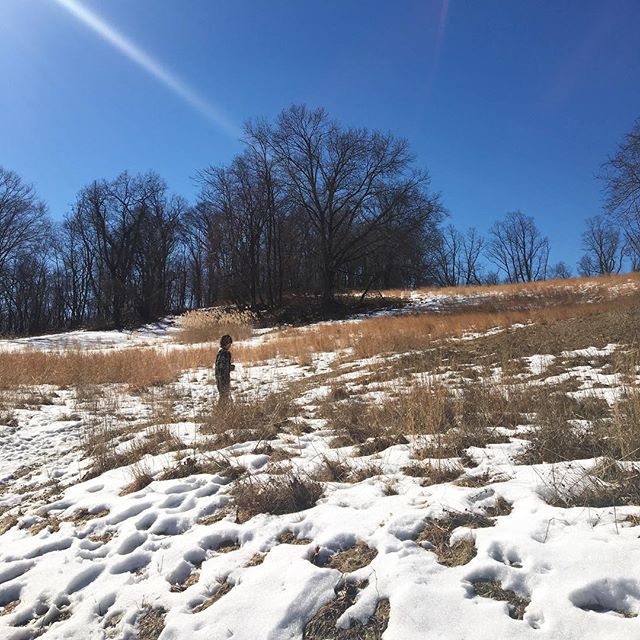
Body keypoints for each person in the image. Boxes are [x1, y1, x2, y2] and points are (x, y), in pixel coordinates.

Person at [215, 334, 235, 405]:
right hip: (224, 378)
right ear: (227, 343)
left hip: (218, 378)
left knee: (222, 396)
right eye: (230, 344)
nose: (230, 346)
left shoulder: (219, 352)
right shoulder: (226, 353)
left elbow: (219, 366)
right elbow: (224, 368)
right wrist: (231, 367)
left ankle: (220, 412)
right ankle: (221, 412)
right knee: (224, 396)